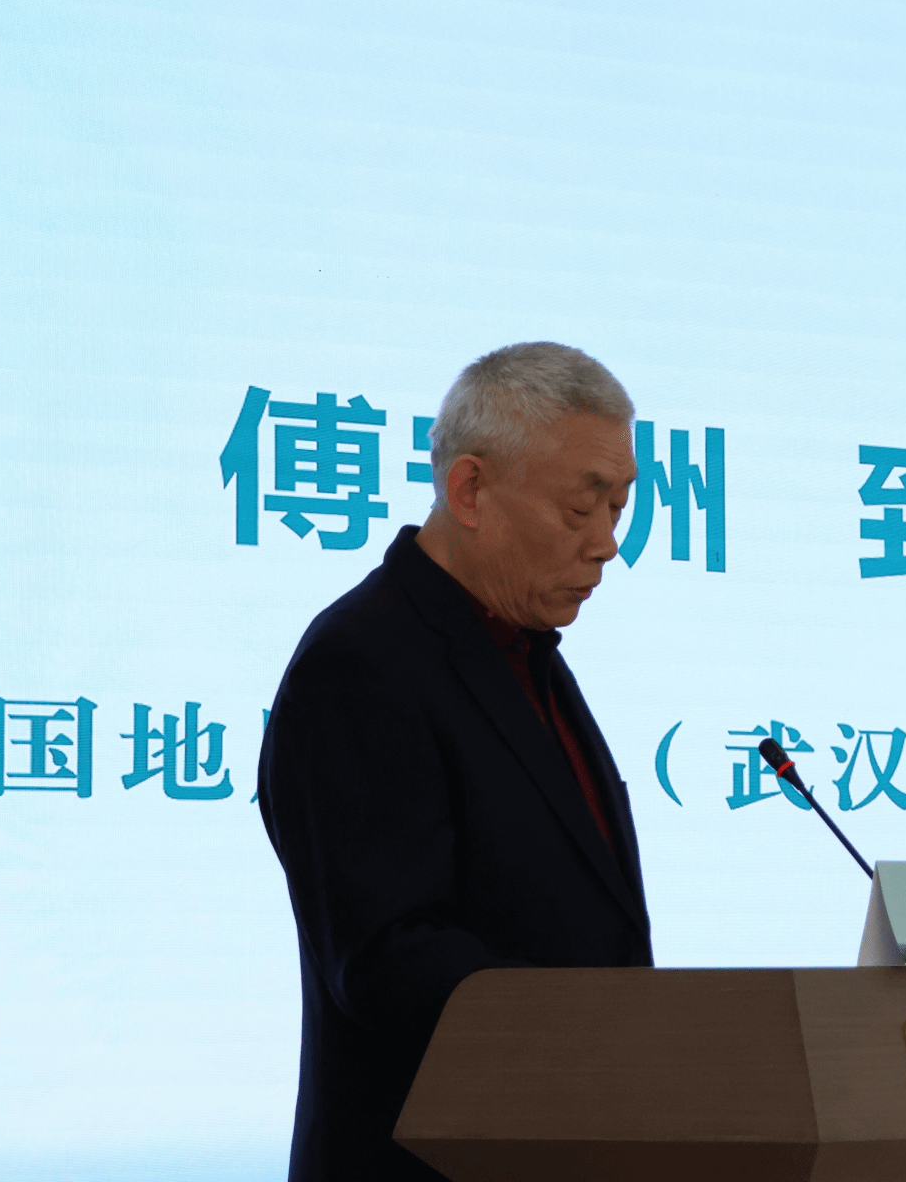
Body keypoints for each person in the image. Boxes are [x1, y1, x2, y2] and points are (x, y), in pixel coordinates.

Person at [257, 342, 651, 1182]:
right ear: (469, 490)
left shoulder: (524, 652)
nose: (606, 544)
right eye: (580, 510)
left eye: (618, 509)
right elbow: (387, 956)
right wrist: (603, 1036)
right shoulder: (361, 662)